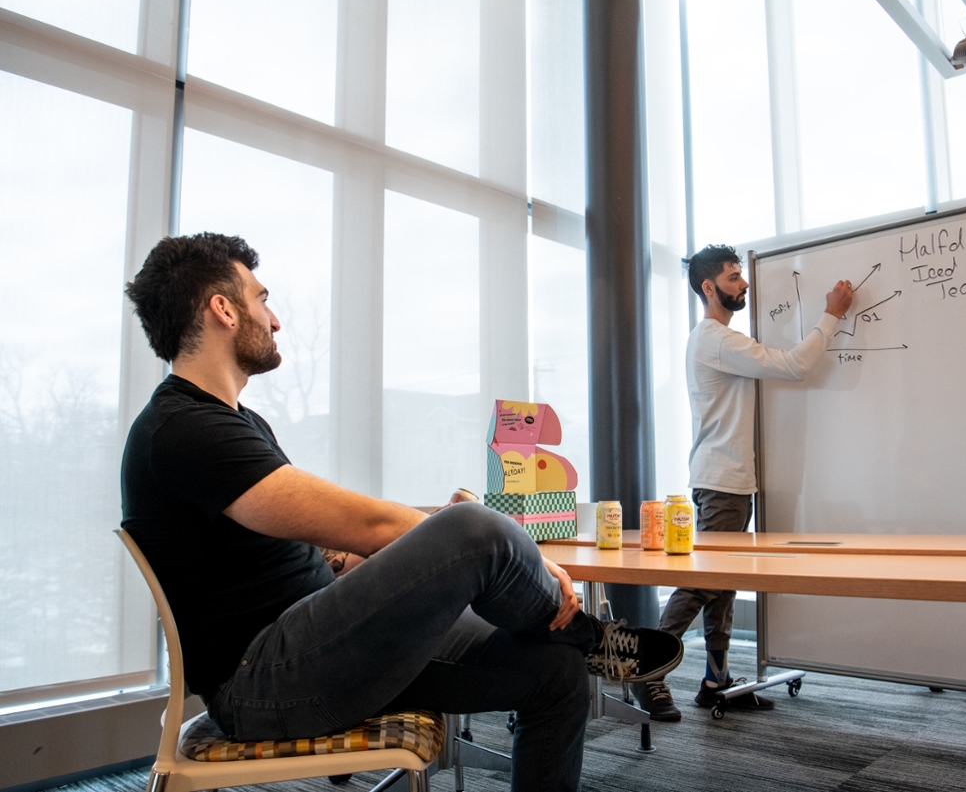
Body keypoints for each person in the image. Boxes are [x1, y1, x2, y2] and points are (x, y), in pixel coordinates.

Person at [120, 232, 684, 792]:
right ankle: (588, 637)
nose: (274, 320)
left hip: (317, 650)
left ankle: (575, 645)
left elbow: (295, 553)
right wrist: (500, 554)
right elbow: (372, 527)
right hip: (265, 683)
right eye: (261, 298)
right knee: (475, 529)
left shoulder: (238, 423)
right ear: (222, 309)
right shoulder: (184, 429)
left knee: (554, 675)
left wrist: (399, 564)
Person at [632, 244, 853, 721]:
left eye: (741, 276)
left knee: (724, 587)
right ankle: (647, 671)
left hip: (730, 479)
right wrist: (830, 316)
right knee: (703, 583)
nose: (744, 284)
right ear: (709, 287)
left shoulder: (719, 340)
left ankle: (715, 682)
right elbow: (795, 365)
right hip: (721, 480)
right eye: (734, 277)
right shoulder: (715, 339)